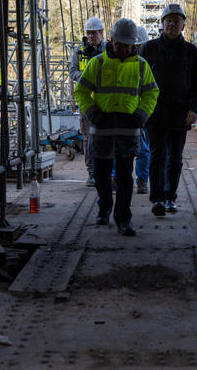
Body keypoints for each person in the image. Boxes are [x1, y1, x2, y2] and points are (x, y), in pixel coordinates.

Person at [74, 18, 159, 236]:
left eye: (127, 46)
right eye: (120, 44)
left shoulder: (141, 65)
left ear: (133, 45)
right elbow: (81, 91)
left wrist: (141, 115)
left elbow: (151, 92)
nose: (123, 49)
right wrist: (92, 112)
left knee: (124, 177)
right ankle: (104, 209)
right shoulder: (98, 63)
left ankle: (123, 218)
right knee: (102, 176)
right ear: (112, 40)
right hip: (102, 129)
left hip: (127, 130)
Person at [140, 3, 197, 216]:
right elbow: (138, 80)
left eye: (176, 21)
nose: (172, 24)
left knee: (175, 159)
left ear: (183, 25)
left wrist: (195, 109)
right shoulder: (149, 49)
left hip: (180, 114)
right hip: (155, 114)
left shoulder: (191, 51)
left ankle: (170, 197)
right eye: (168, 20)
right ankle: (157, 199)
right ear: (162, 24)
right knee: (157, 156)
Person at [69, 17, 105, 186]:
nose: (91, 37)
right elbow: (73, 72)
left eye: (94, 33)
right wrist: (86, 78)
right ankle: (91, 172)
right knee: (88, 137)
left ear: (101, 33)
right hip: (86, 101)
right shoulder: (79, 52)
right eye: (88, 33)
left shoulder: (108, 51)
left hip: (104, 100)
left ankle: (105, 171)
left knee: (105, 137)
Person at [134, 26, 151, 194]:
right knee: (119, 149)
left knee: (144, 149)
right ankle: (115, 177)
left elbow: (152, 90)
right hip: (127, 111)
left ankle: (142, 180)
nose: (138, 48)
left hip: (143, 113)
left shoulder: (148, 63)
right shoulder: (125, 62)